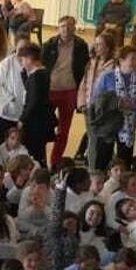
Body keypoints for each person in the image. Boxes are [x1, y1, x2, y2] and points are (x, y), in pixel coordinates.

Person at [41, 18, 90, 168]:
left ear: (75, 28)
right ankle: (42, 161)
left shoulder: (81, 45)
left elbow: (86, 67)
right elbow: (41, 66)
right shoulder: (48, 45)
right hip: (51, 91)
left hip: (70, 92)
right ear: (58, 28)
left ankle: (55, 163)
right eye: (63, 26)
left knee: (64, 130)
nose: (66, 29)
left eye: (69, 26)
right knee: (44, 128)